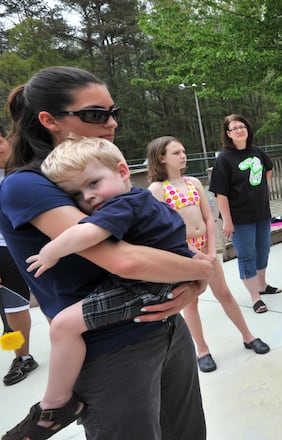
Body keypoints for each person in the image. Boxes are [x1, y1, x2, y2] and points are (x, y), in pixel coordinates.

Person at [0, 66, 213, 439]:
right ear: (49, 120)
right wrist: (203, 270)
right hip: (112, 351)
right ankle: (54, 408)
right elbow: (125, 260)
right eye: (96, 115)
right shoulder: (27, 185)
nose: (111, 122)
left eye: (114, 112)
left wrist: (193, 282)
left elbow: (153, 242)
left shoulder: (93, 173)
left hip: (164, 328)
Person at [147, 136, 270, 373]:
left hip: (207, 250)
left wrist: (212, 250)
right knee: (191, 302)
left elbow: (208, 218)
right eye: (176, 153)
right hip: (183, 256)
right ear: (161, 158)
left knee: (224, 292)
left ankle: (248, 336)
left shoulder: (193, 182)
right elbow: (165, 230)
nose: (183, 155)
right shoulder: (157, 190)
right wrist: (195, 254)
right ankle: (202, 349)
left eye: (183, 151)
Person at [209, 114, 281, 314]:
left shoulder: (256, 151)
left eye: (242, 126)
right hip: (239, 218)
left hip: (261, 213)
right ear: (228, 134)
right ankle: (255, 297)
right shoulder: (224, 159)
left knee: (263, 249)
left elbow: (268, 168)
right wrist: (227, 221)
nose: (240, 130)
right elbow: (220, 193)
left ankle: (262, 285)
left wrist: (263, 188)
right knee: (247, 255)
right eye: (234, 128)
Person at [0, 125, 38, 387]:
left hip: (36, 241)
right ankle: (23, 357)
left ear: (8, 139)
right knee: (13, 302)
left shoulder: (30, 165)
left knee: (53, 294)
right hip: (3, 245)